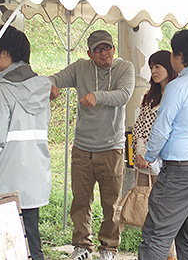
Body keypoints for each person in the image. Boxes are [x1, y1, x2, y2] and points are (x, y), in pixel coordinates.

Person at [0, 25, 58, 260]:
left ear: (6, 54)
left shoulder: (2, 89)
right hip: (35, 176)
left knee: (6, 244)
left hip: (7, 178)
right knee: (31, 238)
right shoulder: (42, 88)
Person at [49, 30, 135, 260]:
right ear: (89, 53)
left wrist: (97, 96)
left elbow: (124, 95)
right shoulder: (80, 68)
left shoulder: (125, 68)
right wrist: (51, 87)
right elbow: (54, 78)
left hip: (112, 149)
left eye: (107, 47)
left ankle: (108, 248)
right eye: (98, 49)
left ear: (113, 49)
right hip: (82, 148)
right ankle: (81, 246)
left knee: (112, 204)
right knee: (80, 201)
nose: (104, 53)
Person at [138, 28, 188, 260]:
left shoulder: (177, 87)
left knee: (156, 235)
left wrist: (148, 155)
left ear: (180, 56)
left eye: (174, 53)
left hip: (180, 171)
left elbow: (162, 127)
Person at [131, 50, 178, 260]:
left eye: (158, 66)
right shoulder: (149, 96)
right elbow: (139, 128)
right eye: (151, 67)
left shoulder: (175, 94)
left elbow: (171, 132)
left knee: (166, 213)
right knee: (148, 209)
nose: (154, 70)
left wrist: (152, 154)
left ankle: (171, 254)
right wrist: (141, 154)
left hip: (167, 163)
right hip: (145, 162)